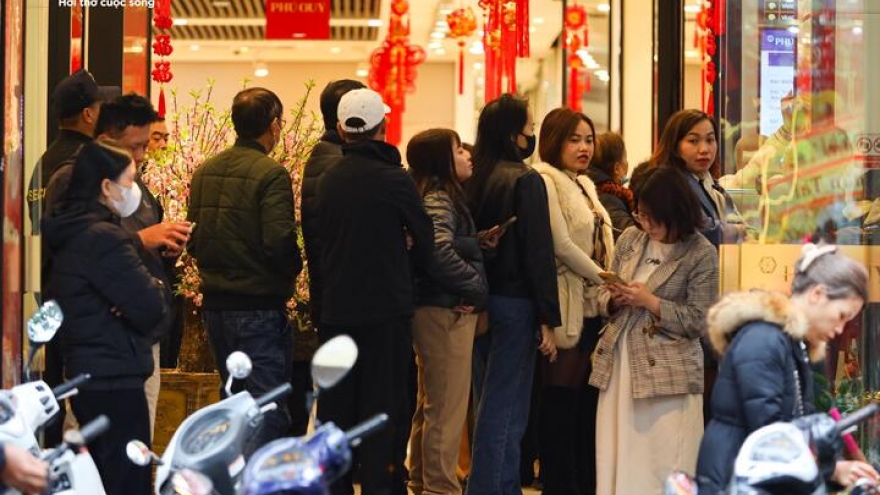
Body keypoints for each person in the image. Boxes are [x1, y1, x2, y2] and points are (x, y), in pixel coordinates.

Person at [44, 93, 190, 440]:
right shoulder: (73, 182)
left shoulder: (131, 183)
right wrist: (142, 242)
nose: (142, 155)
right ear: (109, 138)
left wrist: (162, 251)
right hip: (105, 350)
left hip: (131, 344)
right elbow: (84, 257)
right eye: (136, 145)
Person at [316, 88, 433, 495]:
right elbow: (426, 240)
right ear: (383, 128)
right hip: (386, 313)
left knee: (337, 409)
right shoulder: (395, 181)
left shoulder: (328, 181)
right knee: (384, 408)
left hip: (336, 313)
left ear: (340, 130)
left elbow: (316, 249)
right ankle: (382, 486)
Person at [696, 244, 879, 494]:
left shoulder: (790, 342)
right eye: (841, 315)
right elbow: (770, 437)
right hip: (736, 479)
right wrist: (832, 469)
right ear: (817, 294)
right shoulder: (764, 340)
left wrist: (833, 466)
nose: (840, 329)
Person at [41, 142, 169, 495]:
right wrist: (156, 284)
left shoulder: (75, 231)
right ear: (105, 186)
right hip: (115, 375)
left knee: (100, 477)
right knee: (126, 478)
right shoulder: (104, 238)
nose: (134, 191)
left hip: (90, 373)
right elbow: (150, 307)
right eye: (129, 181)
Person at [187, 87, 302, 456]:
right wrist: (293, 271)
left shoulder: (206, 171)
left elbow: (193, 238)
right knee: (265, 408)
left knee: (232, 406)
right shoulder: (271, 174)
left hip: (216, 307)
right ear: (273, 125)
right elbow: (279, 241)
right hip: (258, 308)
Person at [590, 166, 718, 495]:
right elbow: (600, 295)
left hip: (669, 373)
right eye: (640, 215)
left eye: (652, 218)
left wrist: (651, 302)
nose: (645, 225)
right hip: (621, 363)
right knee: (619, 451)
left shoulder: (701, 252)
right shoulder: (632, 239)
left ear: (675, 211)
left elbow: (699, 320)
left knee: (666, 456)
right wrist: (615, 299)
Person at [464, 93, 561, 495]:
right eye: (529, 126)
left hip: (478, 302)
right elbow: (538, 254)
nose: (532, 133)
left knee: (487, 398)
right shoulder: (525, 179)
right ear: (513, 133)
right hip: (517, 303)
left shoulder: (474, 177)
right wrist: (548, 318)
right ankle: (490, 487)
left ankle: (499, 484)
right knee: (507, 406)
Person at [531, 108, 614, 495]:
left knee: (583, 401)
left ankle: (581, 481)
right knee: (559, 400)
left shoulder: (585, 184)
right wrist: (609, 278)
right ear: (553, 141)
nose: (583, 147)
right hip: (565, 302)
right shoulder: (545, 180)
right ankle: (558, 482)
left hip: (594, 305)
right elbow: (561, 245)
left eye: (588, 139)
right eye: (573, 139)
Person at [405, 128, 488, 495]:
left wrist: (474, 242)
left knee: (432, 402)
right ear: (442, 159)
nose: (467, 155)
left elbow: (441, 242)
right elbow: (437, 251)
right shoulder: (440, 197)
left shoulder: (431, 195)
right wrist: (475, 286)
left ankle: (424, 481)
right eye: (458, 150)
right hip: (446, 310)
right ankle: (440, 487)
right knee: (447, 407)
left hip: (433, 308)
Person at [295, 79, 365, 436]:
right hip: (346, 297)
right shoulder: (338, 165)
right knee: (346, 395)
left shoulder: (325, 157)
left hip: (333, 294)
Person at [587, 132, 634, 238]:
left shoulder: (595, 189)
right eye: (625, 158)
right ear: (617, 168)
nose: (627, 164)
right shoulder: (608, 199)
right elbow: (630, 237)